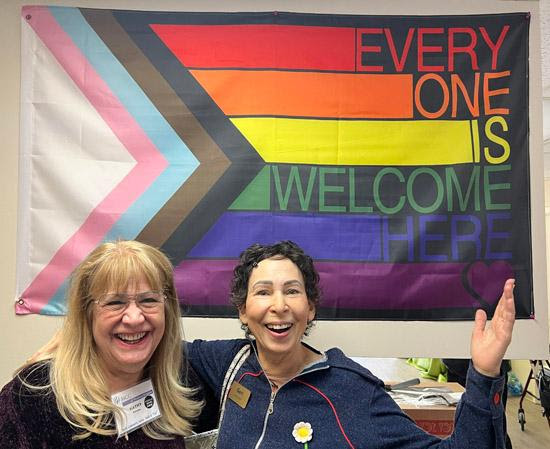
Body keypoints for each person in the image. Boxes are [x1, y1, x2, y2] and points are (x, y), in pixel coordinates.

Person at [187, 240, 516, 449]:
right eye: (263, 292)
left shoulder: (352, 391)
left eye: (292, 291)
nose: (279, 305)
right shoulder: (229, 363)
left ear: (310, 308)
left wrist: (484, 373)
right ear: (243, 310)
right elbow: (162, 350)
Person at [0, 240, 203, 448]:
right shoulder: (31, 396)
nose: (134, 318)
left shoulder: (176, 382)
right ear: (87, 314)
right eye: (115, 302)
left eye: (149, 300)